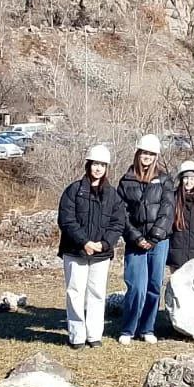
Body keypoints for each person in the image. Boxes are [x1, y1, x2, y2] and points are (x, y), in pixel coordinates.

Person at [57, 144, 127, 348]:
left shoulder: (112, 195)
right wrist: (84, 242)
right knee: (75, 292)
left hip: (101, 254)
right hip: (75, 251)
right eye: (95, 164)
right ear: (88, 165)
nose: (98, 169)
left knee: (97, 294)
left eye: (102, 165)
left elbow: (118, 223)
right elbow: (66, 220)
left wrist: (104, 244)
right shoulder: (73, 190)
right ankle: (76, 336)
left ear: (106, 168)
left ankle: (94, 335)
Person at [116, 133, 174, 344]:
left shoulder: (165, 179)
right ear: (138, 154)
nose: (147, 157)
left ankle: (147, 328)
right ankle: (128, 329)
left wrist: (154, 237)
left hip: (159, 242)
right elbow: (121, 214)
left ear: (156, 156)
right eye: (144, 153)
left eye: (151, 154)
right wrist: (137, 237)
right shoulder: (126, 181)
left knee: (154, 285)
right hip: (135, 243)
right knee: (136, 287)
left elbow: (167, 210)